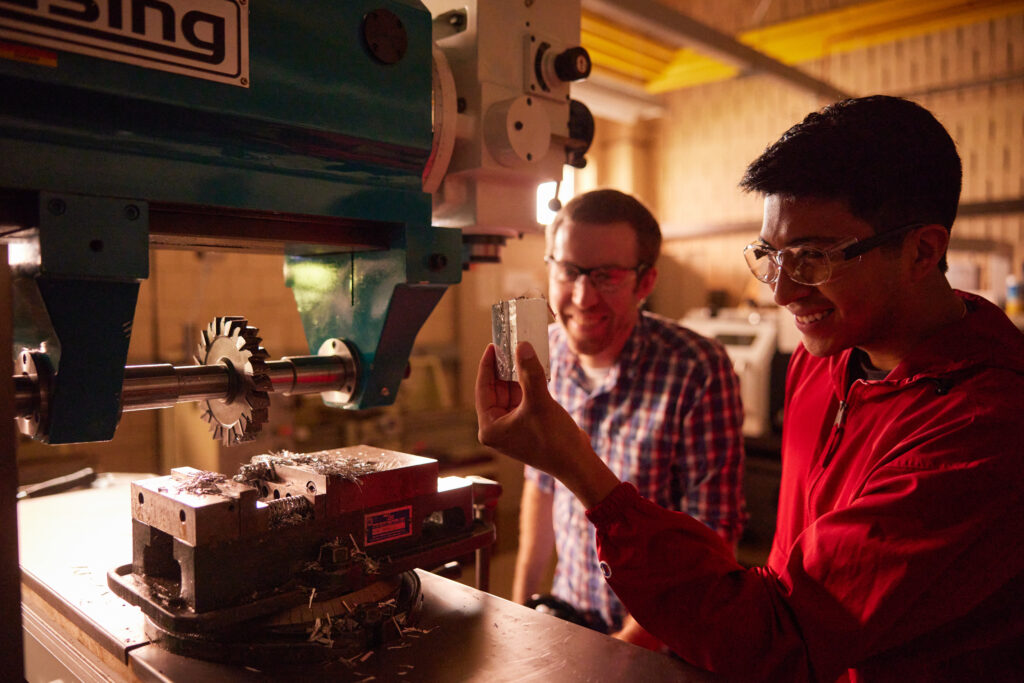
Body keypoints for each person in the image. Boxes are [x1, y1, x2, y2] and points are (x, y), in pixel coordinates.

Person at [476, 95, 1024, 681]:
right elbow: (783, 582)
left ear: (921, 250)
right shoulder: (826, 358)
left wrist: (578, 467)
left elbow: (784, 636)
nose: (783, 292)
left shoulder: (983, 429)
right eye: (770, 255)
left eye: (814, 257)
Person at [512, 189, 746, 649]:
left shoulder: (696, 369)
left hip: (662, 643)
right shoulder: (546, 353)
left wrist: (623, 653)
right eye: (569, 271)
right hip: (567, 616)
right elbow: (540, 489)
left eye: (607, 276)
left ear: (645, 282)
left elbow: (713, 545)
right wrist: (518, 614)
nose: (582, 296)